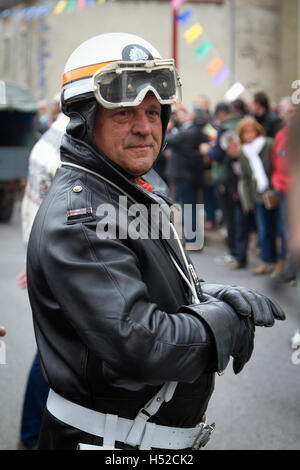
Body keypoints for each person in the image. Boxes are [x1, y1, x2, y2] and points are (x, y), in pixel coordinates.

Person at [26, 33, 285, 451]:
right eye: (124, 112)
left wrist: (216, 295)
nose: (145, 127)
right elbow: (140, 342)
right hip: (109, 445)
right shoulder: (84, 215)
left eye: (153, 111)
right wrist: (225, 324)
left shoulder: (122, 190)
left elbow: (149, 281)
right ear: (84, 121)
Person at [17, 111, 69, 450]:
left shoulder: (52, 134)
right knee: (56, 351)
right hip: (56, 257)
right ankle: (33, 433)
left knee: (54, 348)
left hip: (43, 251)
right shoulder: (72, 141)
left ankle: (31, 432)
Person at [200, 102, 241, 264]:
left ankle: (234, 252)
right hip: (237, 176)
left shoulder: (226, 127)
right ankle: (238, 252)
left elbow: (218, 153)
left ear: (222, 113)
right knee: (235, 216)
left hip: (224, 176)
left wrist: (207, 150)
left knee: (229, 216)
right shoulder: (241, 123)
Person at [237, 117, 277, 275]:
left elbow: (276, 167)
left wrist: (275, 187)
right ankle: (266, 261)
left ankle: (279, 261)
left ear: (257, 130)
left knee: (278, 229)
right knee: (263, 229)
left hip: (272, 191)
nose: (248, 135)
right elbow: (245, 178)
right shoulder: (243, 151)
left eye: (251, 131)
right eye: (245, 132)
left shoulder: (267, 144)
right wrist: (247, 201)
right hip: (257, 195)